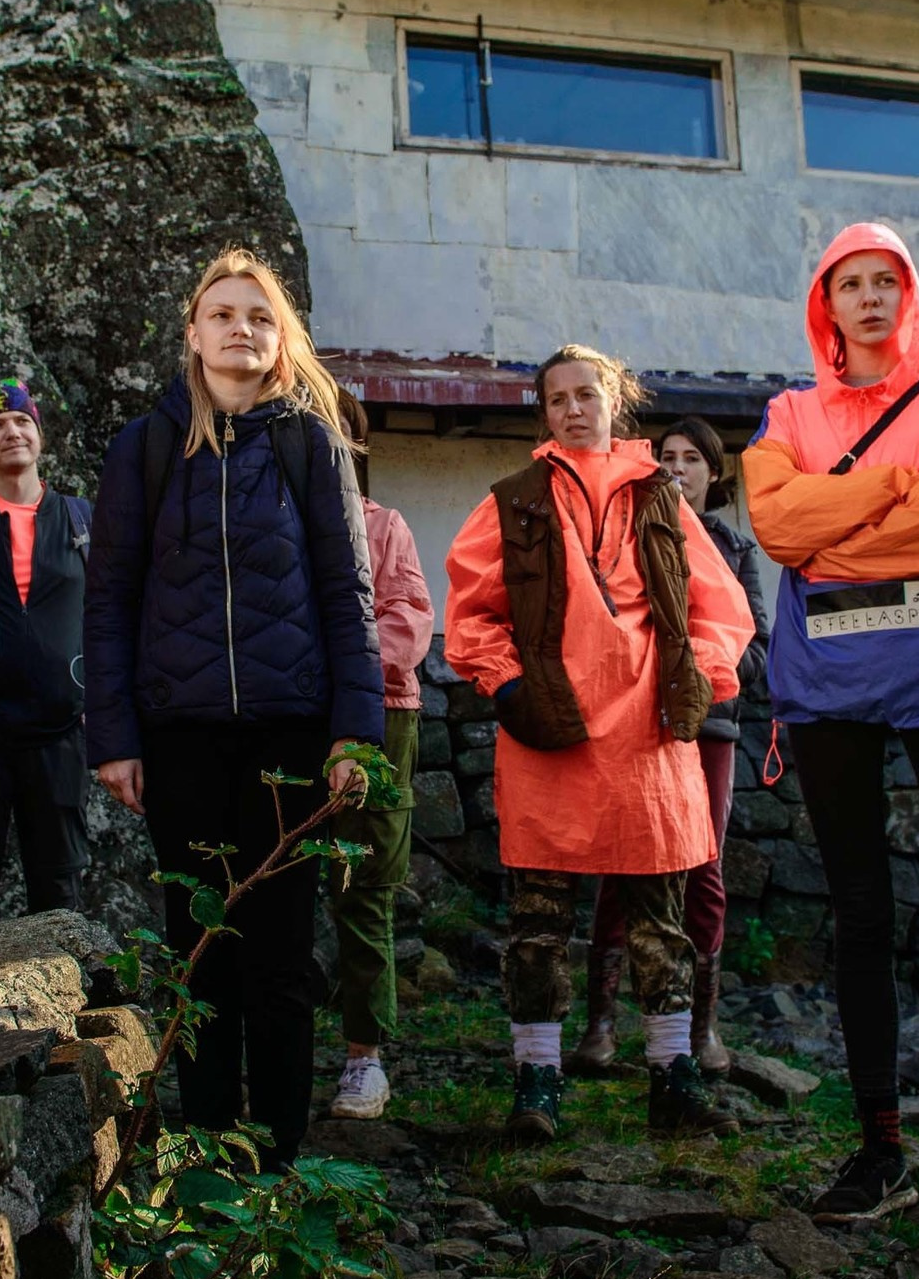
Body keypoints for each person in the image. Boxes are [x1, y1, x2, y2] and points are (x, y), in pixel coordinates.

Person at [745, 224, 919, 1237]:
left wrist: (837, 520)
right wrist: (887, 490)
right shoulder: (785, 412)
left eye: (885, 281)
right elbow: (776, 526)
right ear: (825, 304)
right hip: (829, 682)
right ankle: (879, 1148)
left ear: (908, 295)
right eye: (848, 283)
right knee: (858, 913)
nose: (867, 298)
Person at [84, 248, 384, 1168]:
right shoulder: (144, 445)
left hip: (290, 732)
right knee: (199, 944)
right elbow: (111, 597)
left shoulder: (309, 441)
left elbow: (348, 590)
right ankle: (212, 1146)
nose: (241, 329)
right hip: (180, 735)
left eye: (259, 315)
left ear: (280, 337)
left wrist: (354, 733)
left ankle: (282, 1151)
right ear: (194, 333)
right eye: (223, 314)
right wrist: (116, 735)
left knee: (283, 954)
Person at [445, 345, 754, 1144]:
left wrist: (697, 677)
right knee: (540, 919)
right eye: (559, 398)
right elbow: (472, 612)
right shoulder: (513, 501)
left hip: (650, 741)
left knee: (661, 919)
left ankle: (672, 1078)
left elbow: (722, 606)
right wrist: (506, 686)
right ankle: (537, 1081)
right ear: (543, 413)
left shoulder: (661, 497)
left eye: (589, 394)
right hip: (550, 732)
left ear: (615, 401)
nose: (575, 408)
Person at [574, 416, 768, 1078]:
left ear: (715, 474)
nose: (677, 467)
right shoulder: (625, 539)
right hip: (631, 725)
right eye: (667, 456)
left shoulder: (737, 552)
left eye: (692, 458)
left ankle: (701, 1026)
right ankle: (600, 1022)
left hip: (707, 726)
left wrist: (696, 672)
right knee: (621, 861)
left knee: (704, 868)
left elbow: (758, 649)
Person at [325, 392, 435, 1123]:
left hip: (377, 714)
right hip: (283, 720)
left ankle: (365, 1057)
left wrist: (343, 683)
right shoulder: (265, 528)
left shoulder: (382, 526)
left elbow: (408, 622)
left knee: (362, 888)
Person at [0, 379, 92, 922]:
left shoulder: (83, 520)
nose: (12, 432)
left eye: (22, 421)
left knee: (60, 891)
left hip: (59, 732)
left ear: (40, 434)